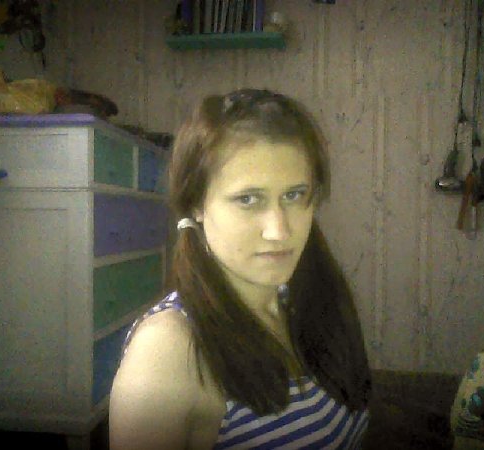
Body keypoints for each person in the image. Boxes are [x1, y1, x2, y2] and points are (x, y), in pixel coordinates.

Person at [109, 88, 372, 449]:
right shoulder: (168, 351)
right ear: (197, 204)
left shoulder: (305, 300)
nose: (278, 231)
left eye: (294, 195)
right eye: (248, 199)